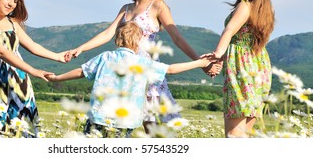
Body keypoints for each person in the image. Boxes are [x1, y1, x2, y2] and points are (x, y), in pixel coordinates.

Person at [68, 0, 222, 132]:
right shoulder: (125, 8)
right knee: (116, 123)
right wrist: (81, 48)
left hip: (147, 72)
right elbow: (107, 33)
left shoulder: (158, 6)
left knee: (152, 128)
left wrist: (201, 63)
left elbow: (177, 38)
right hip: (126, 74)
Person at [48, 21, 212, 137]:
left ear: (117, 39)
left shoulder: (105, 57)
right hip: (125, 121)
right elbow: (170, 69)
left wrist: (57, 78)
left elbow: (81, 71)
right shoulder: (142, 62)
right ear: (139, 42)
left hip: (98, 116)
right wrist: (199, 63)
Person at [0, 0, 69, 137]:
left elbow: (33, 46)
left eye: (16, 1)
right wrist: (33, 70)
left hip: (19, 81)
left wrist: (57, 57)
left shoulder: (13, 23)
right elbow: (2, 52)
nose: (11, 4)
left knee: (22, 127)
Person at [202, 0, 275, 138]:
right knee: (245, 135)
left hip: (242, 70)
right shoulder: (265, 10)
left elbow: (229, 31)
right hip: (259, 69)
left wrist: (218, 54)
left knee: (234, 136)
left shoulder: (245, 5)